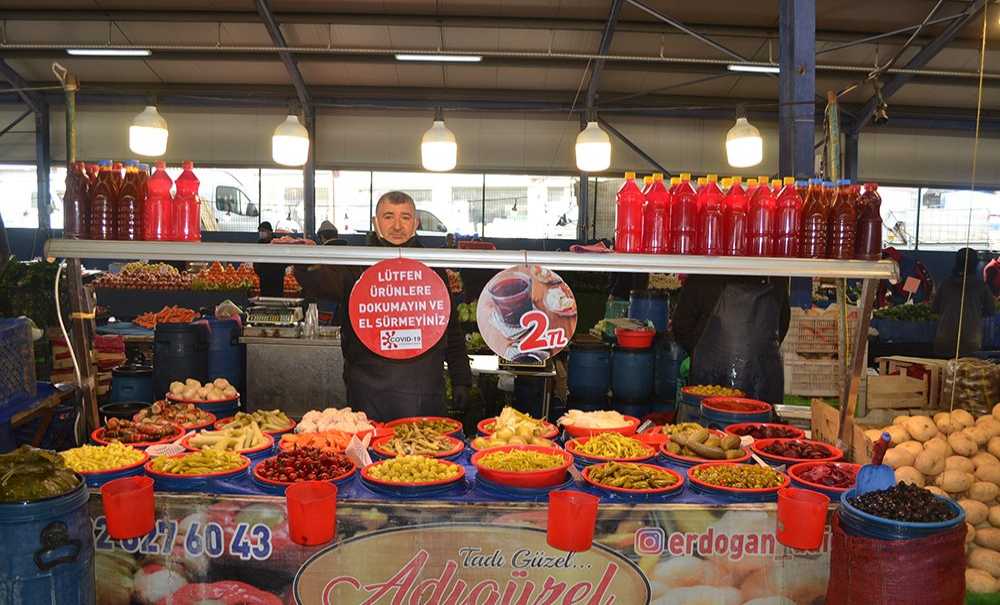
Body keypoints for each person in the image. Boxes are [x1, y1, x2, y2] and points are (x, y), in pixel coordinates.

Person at [293, 191, 472, 421]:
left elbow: (450, 329)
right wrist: (305, 263)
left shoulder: (432, 269)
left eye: (405, 217)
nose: (397, 226)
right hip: (368, 392)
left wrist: (461, 379)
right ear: (375, 222)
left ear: (415, 223)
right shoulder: (357, 265)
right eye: (388, 217)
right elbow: (323, 281)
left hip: (424, 392)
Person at [672, 275, 790, 405]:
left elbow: (681, 326)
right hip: (762, 380)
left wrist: (704, 353)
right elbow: (782, 323)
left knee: (711, 423)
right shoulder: (776, 273)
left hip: (713, 382)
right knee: (761, 424)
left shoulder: (704, 274)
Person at [933, 248, 994, 356]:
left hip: (944, 338)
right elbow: (990, 310)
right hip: (971, 340)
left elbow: (935, 308)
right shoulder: (981, 286)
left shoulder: (945, 283)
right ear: (975, 264)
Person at [254, 221, 287, 297]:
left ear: (270, 231)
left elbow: (284, 259)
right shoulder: (259, 243)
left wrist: (279, 270)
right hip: (264, 278)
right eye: (260, 231)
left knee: (277, 299)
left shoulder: (278, 243)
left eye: (263, 231)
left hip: (277, 278)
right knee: (265, 299)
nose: (261, 233)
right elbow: (256, 261)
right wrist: (260, 272)